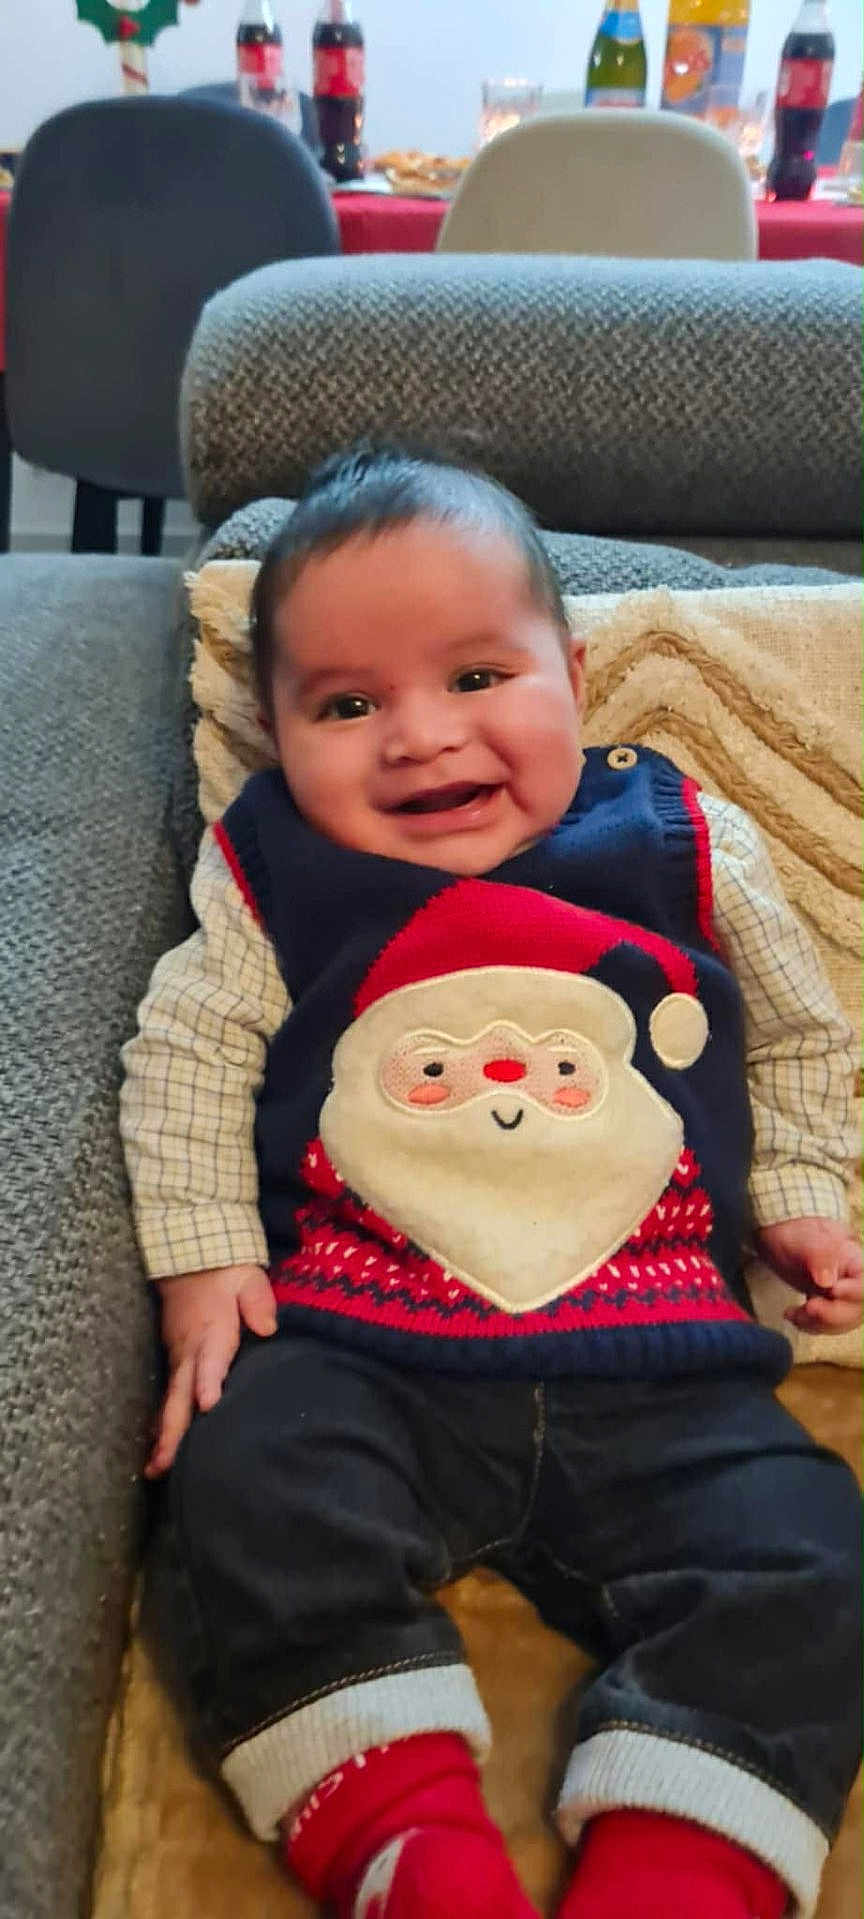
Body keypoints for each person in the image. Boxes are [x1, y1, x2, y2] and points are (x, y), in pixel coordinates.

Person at [120, 443, 862, 1919]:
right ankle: (398, 1830)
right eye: (346, 705)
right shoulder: (272, 869)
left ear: (572, 679)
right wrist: (205, 1260)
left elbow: (797, 1035)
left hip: (661, 1363)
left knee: (810, 1558)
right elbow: (189, 1049)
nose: (419, 737)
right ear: (274, 730)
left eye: (476, 676)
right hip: (359, 1346)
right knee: (242, 1487)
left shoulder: (682, 842)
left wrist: (801, 1193)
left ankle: (685, 1862)